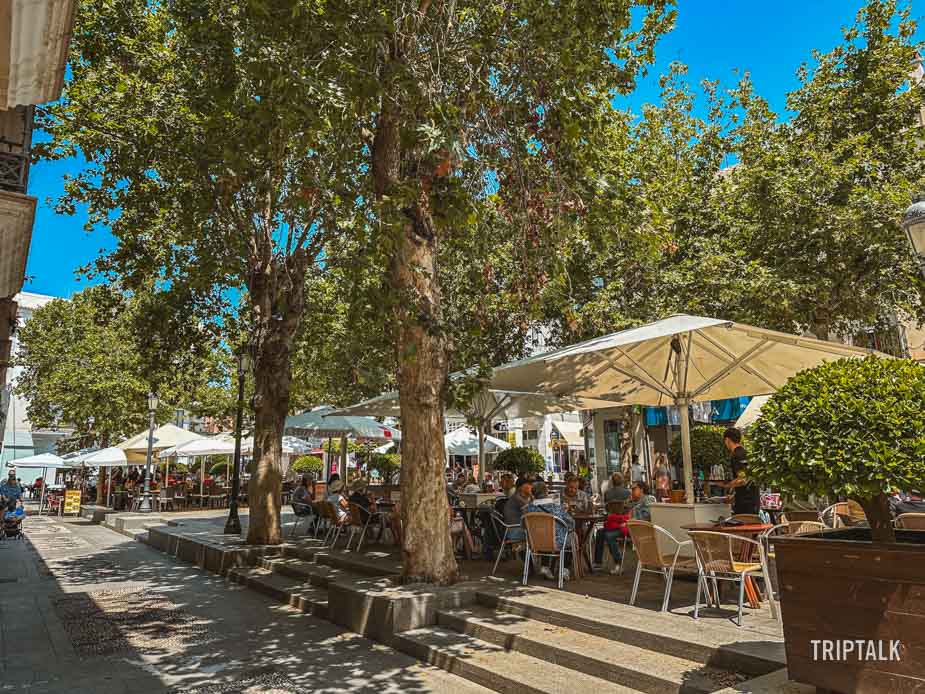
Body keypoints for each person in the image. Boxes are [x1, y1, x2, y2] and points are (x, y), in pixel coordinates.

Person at [524, 481, 575, 580]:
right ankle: (564, 569)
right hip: (556, 542)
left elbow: (523, 525)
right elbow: (571, 523)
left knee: (544, 535)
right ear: (546, 492)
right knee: (570, 538)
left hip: (534, 542)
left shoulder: (528, 509)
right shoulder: (555, 507)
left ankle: (545, 566)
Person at [719, 427, 759, 515]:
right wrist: (734, 495)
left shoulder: (736, 455)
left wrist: (726, 485)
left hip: (745, 504)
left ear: (727, 440)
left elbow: (742, 480)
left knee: (742, 527)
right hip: (753, 500)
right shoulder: (746, 453)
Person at [594, 500, 630, 573]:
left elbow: (628, 518)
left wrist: (614, 518)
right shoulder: (629, 501)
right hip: (614, 526)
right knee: (600, 532)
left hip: (624, 528)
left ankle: (618, 563)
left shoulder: (630, 505)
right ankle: (598, 562)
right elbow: (608, 523)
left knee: (609, 536)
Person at [503, 478, 532, 542]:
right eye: (528, 485)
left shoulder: (516, 497)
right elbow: (530, 514)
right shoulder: (518, 499)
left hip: (512, 529)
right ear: (521, 488)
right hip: (515, 531)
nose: (531, 487)